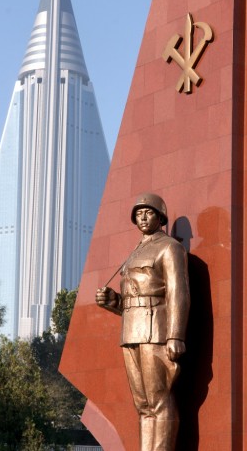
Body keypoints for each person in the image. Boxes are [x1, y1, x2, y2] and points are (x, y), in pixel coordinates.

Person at [96, 193, 190, 451]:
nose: (143, 217)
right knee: (143, 405)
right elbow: (132, 299)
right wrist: (113, 301)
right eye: (139, 213)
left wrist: (175, 335)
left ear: (161, 217)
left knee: (159, 401)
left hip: (156, 331)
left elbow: (178, 293)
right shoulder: (135, 251)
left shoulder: (170, 247)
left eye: (148, 212)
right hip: (131, 332)